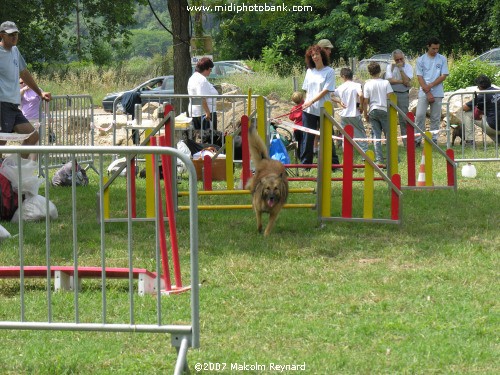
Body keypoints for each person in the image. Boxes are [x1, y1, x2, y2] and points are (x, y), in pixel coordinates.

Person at [0, 21, 51, 158]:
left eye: (16, 34)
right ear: (2, 35)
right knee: (1, 142)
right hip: (2, 104)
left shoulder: (15, 51)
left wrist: (39, 93)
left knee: (32, 137)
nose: (14, 37)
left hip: (14, 105)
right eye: (11, 34)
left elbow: (24, 73)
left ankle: (14, 171)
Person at [301, 44, 340, 169]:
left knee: (327, 136)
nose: (315, 57)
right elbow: (306, 90)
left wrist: (311, 101)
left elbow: (326, 90)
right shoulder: (309, 71)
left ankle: (333, 164)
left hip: (324, 109)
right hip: (309, 110)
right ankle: (306, 164)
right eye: (312, 55)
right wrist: (306, 103)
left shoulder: (329, 71)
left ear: (322, 55)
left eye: (317, 54)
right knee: (308, 136)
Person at [415, 37, 449, 145]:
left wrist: (431, 85)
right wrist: (428, 91)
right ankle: (417, 139)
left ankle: (433, 139)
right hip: (424, 90)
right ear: (428, 46)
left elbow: (443, 75)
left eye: (437, 48)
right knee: (420, 115)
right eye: (433, 48)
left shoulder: (442, 59)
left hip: (437, 91)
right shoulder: (420, 60)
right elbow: (419, 77)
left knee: (435, 117)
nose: (435, 51)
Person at [362, 62, 394, 165]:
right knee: (388, 135)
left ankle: (379, 159)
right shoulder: (385, 83)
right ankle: (392, 157)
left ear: (369, 72)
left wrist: (365, 114)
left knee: (376, 135)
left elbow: (365, 101)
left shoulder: (367, 84)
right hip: (384, 109)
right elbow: (390, 96)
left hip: (373, 110)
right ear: (380, 71)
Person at [332, 67, 368, 154]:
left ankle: (347, 155)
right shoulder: (356, 85)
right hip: (354, 113)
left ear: (343, 76)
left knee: (346, 136)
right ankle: (364, 154)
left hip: (344, 114)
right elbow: (361, 95)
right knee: (360, 134)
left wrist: (339, 101)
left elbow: (330, 95)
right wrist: (361, 106)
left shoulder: (340, 87)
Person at [385, 49, 413, 146]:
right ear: (394, 59)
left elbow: (407, 79)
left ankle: (406, 142)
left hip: (403, 94)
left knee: (404, 118)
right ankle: (390, 142)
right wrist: (403, 82)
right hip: (391, 93)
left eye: (401, 59)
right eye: (397, 60)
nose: (399, 61)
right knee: (389, 118)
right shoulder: (390, 67)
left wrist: (401, 69)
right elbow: (390, 80)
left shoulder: (408, 67)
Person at [462, 74, 500, 143]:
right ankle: (498, 139)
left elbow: (464, 108)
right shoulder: (498, 91)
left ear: (480, 86)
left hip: (494, 126)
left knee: (468, 114)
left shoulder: (482, 95)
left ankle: (469, 140)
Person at [187, 57, 218, 136]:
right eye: (210, 69)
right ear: (206, 68)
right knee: (210, 138)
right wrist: (207, 112)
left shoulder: (192, 78)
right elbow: (202, 97)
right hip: (205, 113)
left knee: (200, 138)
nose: (210, 72)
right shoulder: (202, 80)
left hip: (195, 112)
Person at [288, 91, 304, 159]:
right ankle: (303, 156)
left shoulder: (294, 109)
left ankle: (298, 156)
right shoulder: (305, 106)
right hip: (304, 127)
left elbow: (291, 118)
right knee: (304, 143)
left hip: (296, 128)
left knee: (298, 143)